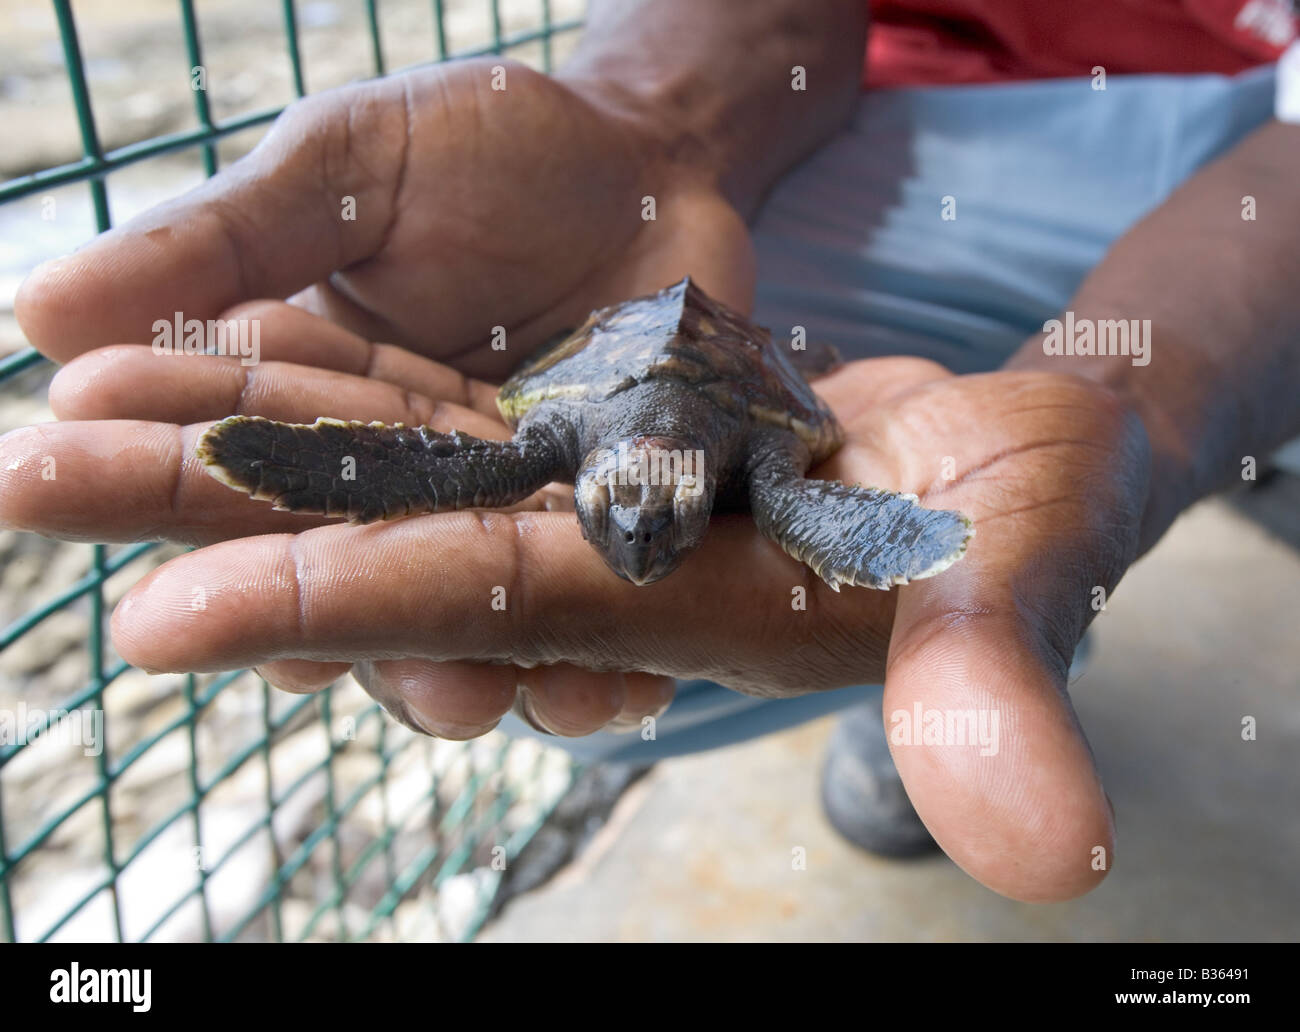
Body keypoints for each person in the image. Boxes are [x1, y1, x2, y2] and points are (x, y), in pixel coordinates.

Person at [2, 0, 1298, 904]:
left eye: (661, 523)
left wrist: (1138, 406)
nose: (646, 542)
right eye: (632, 522)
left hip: (1254, 137)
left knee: (957, 540)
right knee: (569, 643)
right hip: (866, 101)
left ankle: (1108, 558)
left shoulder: (763, 467)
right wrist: (648, 126)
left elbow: (820, 492)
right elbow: (479, 467)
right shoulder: (562, 436)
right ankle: (963, 659)